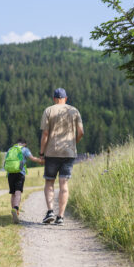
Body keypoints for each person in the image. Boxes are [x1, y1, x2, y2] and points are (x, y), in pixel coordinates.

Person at [39, 88, 84, 226]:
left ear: (54, 98)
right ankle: (61, 217)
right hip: (68, 153)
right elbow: (81, 132)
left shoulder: (48, 110)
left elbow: (45, 134)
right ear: (66, 98)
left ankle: (50, 211)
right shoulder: (74, 110)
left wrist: (41, 153)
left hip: (52, 152)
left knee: (49, 182)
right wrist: (72, 143)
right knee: (64, 184)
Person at [5, 138, 44, 223]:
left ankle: (14, 213)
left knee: (13, 193)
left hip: (10, 173)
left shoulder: (10, 149)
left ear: (17, 143)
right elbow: (33, 158)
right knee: (18, 192)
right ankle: (16, 208)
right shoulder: (25, 149)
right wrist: (41, 161)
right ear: (24, 144)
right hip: (20, 173)